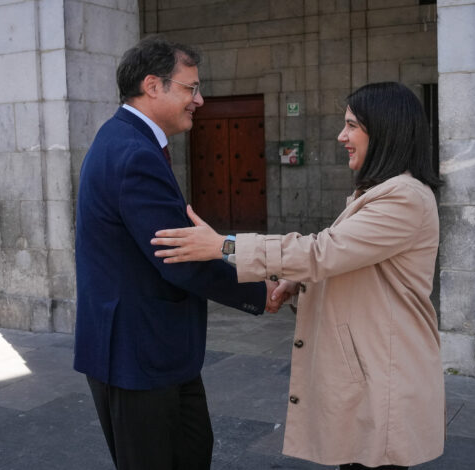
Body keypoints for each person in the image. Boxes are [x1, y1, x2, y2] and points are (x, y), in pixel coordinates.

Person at [151, 82, 445, 469]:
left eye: (352, 126)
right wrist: (297, 281)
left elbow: (322, 251)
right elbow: (349, 260)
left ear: (385, 129)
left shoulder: (403, 197)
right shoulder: (381, 193)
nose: (342, 136)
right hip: (373, 369)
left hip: (385, 375)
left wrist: (224, 245)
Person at [73, 36, 282, 470]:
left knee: (189, 452)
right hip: (139, 354)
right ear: (153, 85)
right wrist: (262, 291)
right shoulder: (133, 153)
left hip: (149, 350)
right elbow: (178, 256)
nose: (199, 100)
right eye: (191, 88)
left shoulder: (125, 140)